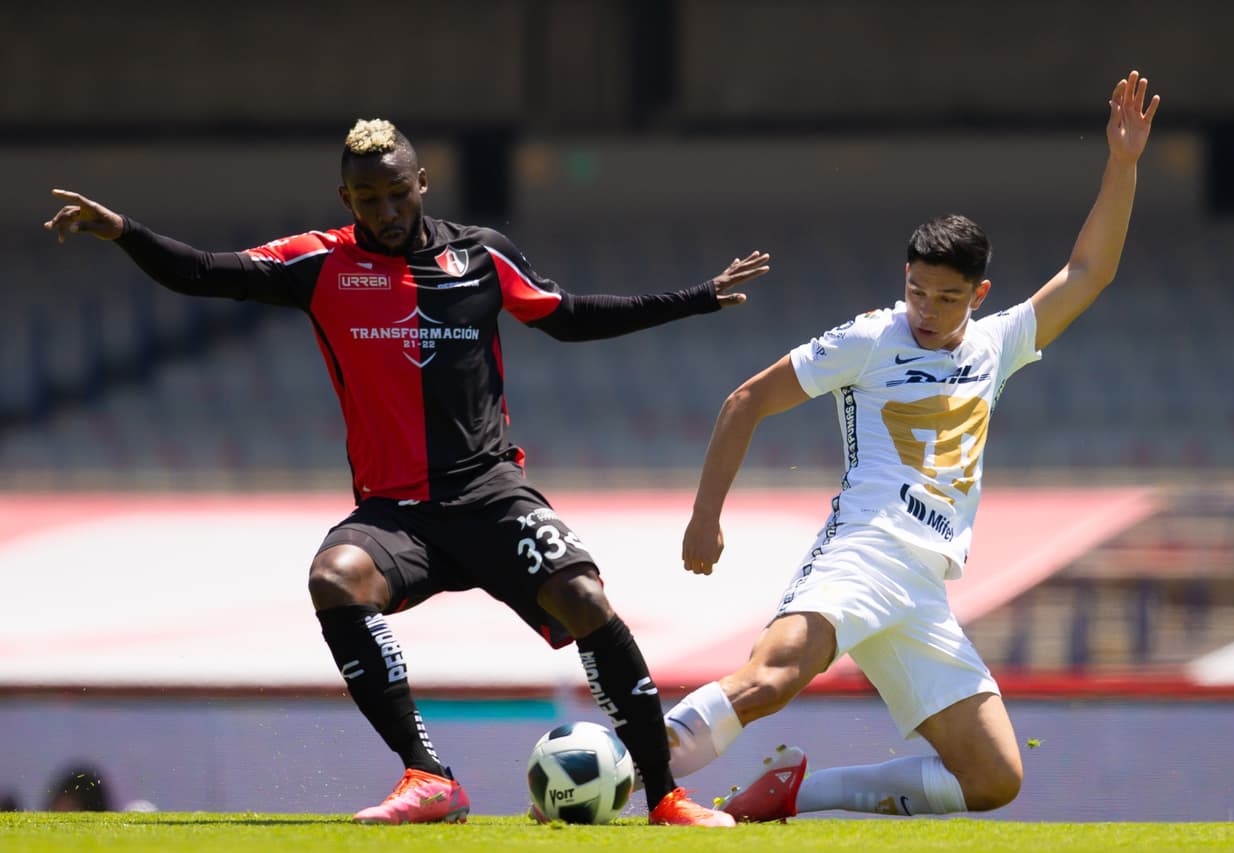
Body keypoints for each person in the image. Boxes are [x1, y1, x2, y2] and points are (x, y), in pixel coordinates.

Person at [43, 118, 770, 827]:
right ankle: (427, 775)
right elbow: (204, 272)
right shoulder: (319, 262)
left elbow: (567, 314)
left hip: (490, 494)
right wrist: (124, 231)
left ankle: (667, 797)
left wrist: (695, 297)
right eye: (368, 200)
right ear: (346, 200)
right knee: (334, 577)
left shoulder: (482, 255)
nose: (386, 212)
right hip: (397, 513)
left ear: (422, 182)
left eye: (397, 194)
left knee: (582, 594)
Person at [662, 71, 1159, 821]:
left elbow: (1090, 272)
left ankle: (796, 794)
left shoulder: (998, 344)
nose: (926, 309)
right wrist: (707, 516)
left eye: (947, 297)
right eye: (917, 289)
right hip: (866, 548)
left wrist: (1122, 164)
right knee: (770, 679)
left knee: (993, 775)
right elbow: (747, 399)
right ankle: (614, 773)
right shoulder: (869, 337)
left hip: (924, 587)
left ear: (979, 294)